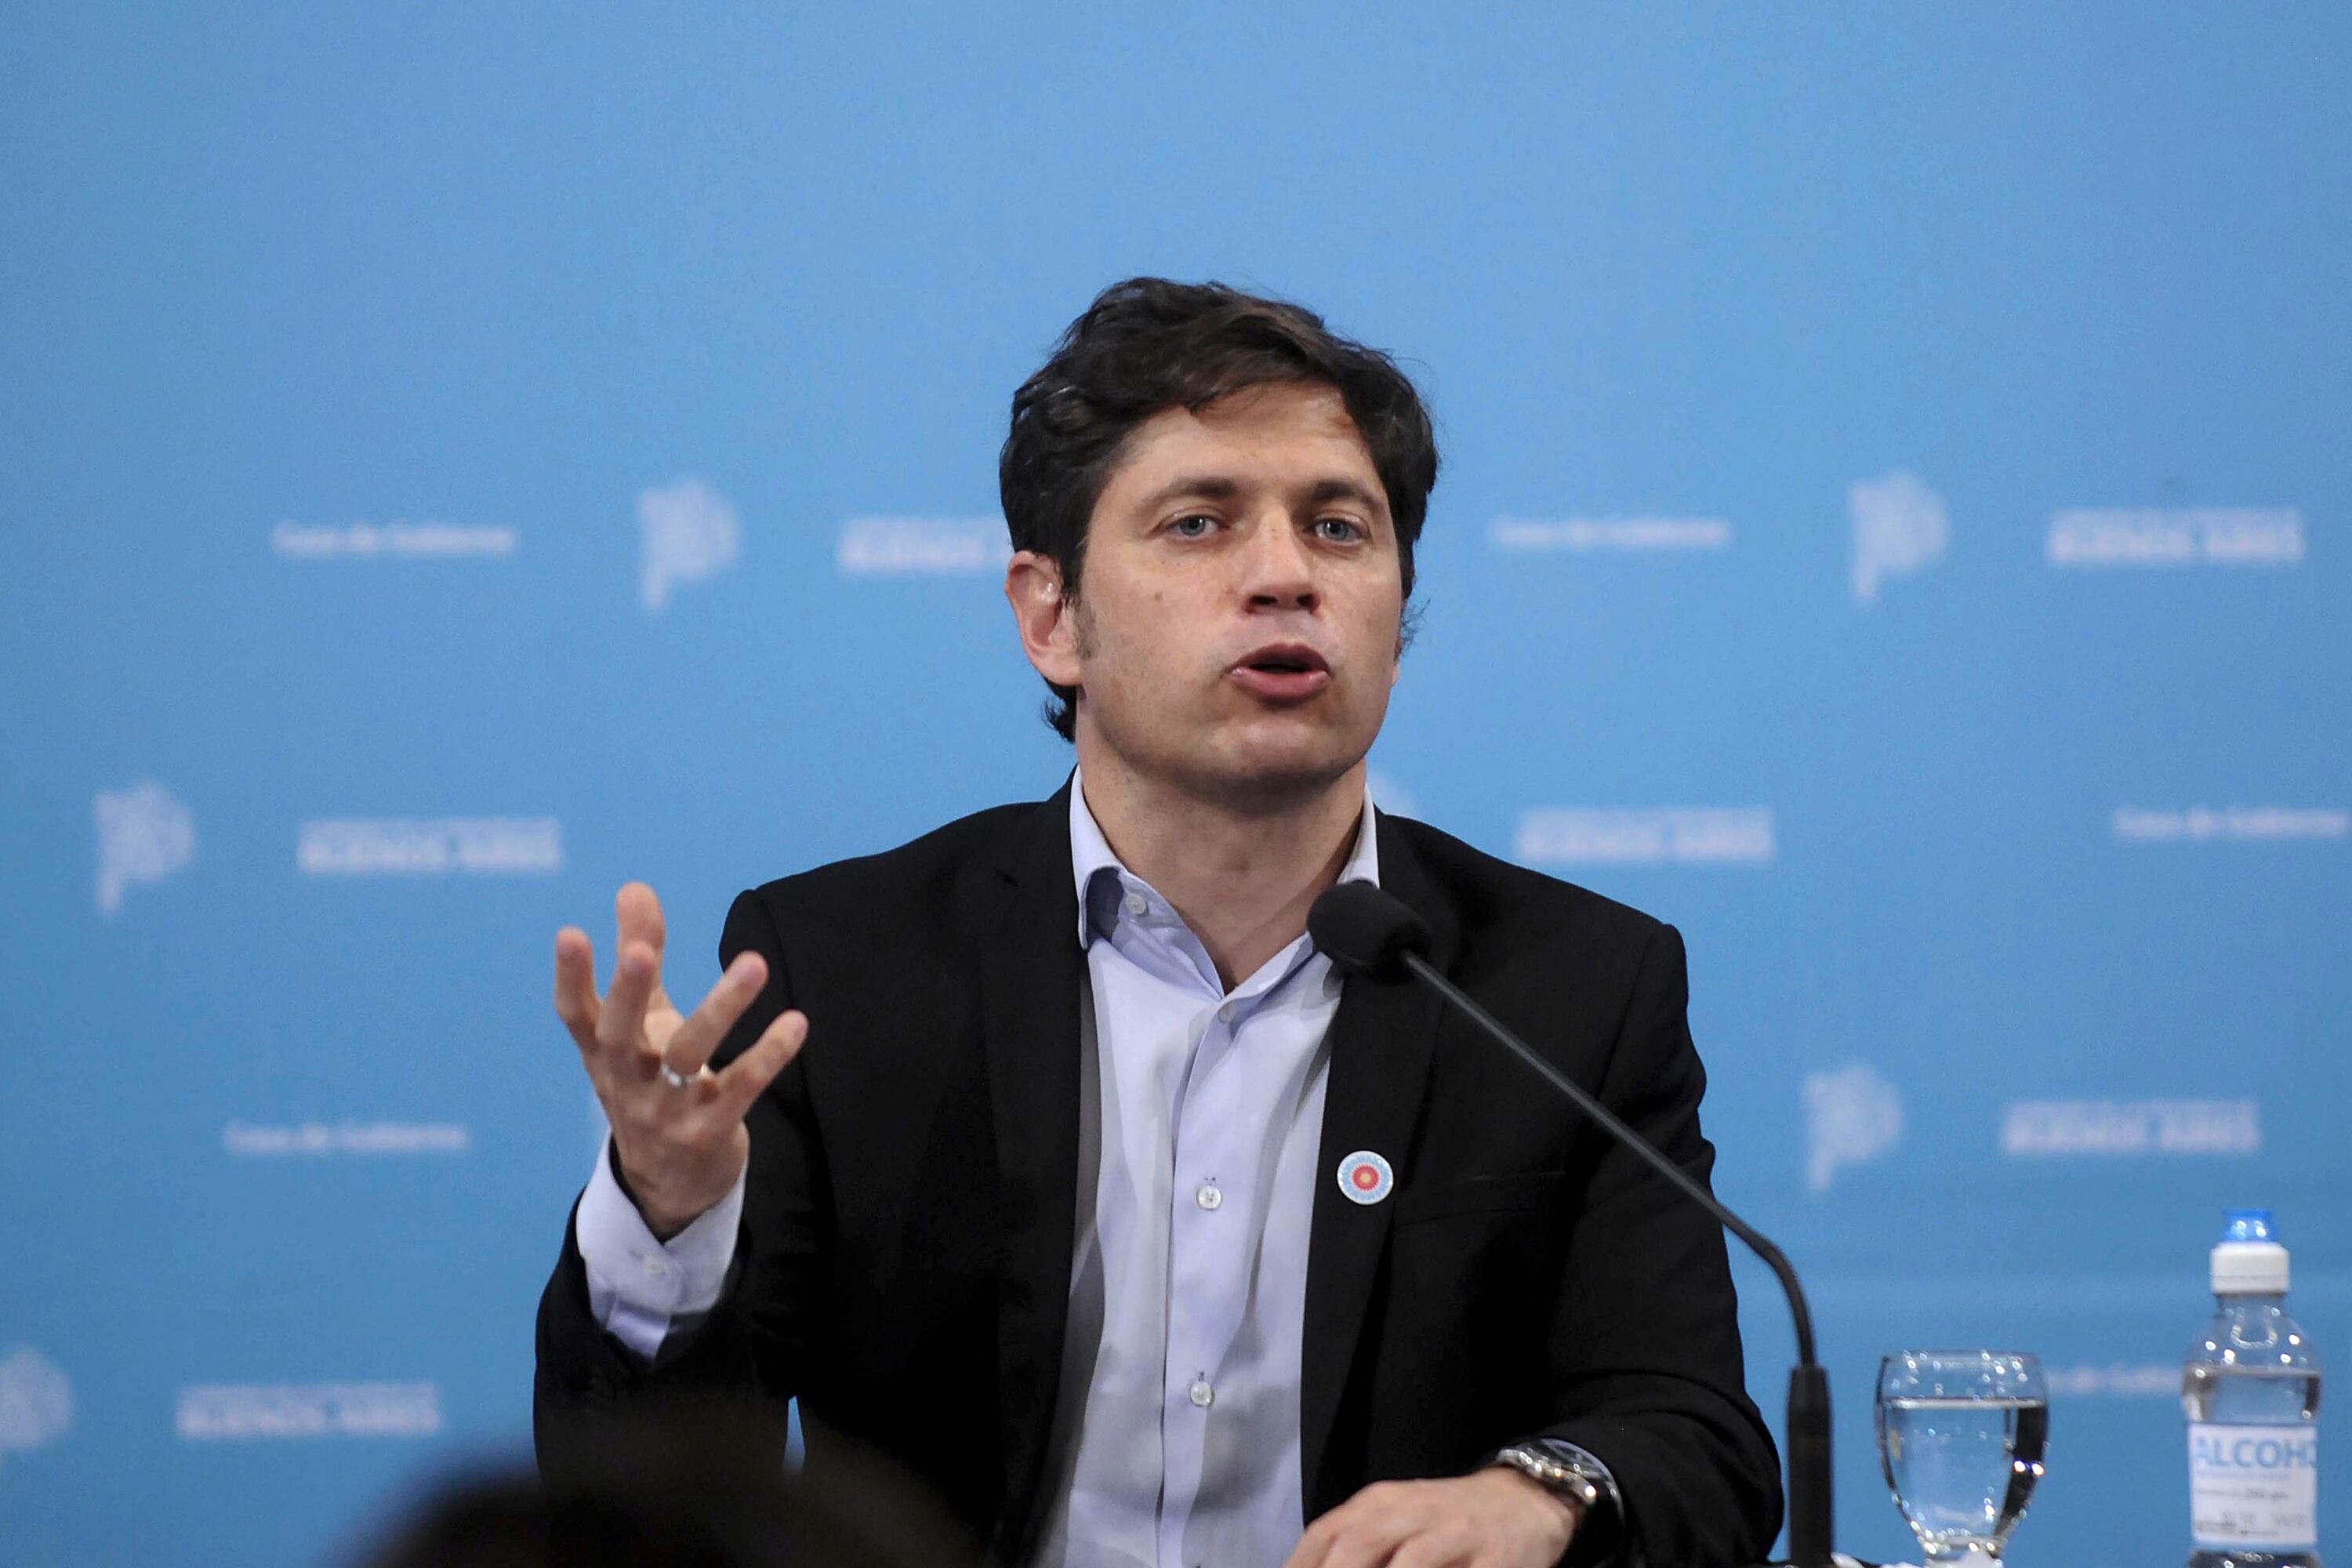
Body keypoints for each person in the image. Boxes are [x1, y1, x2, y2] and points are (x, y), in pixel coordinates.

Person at [535, 278, 1781, 1568]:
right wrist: (669, 1221)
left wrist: (1537, 1498)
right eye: (1198, 524)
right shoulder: (847, 969)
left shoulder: (1569, 987)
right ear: (1051, 617)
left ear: (1398, 621)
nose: (1286, 575)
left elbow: (1694, 1438)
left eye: (1338, 529)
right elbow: (649, 1492)